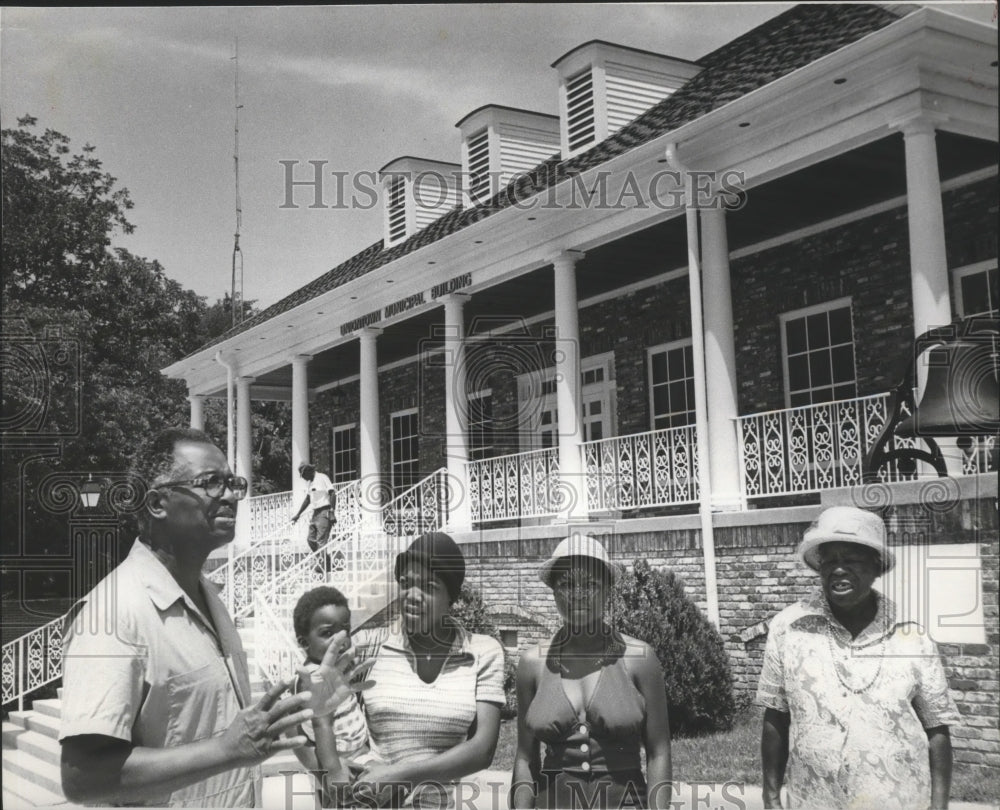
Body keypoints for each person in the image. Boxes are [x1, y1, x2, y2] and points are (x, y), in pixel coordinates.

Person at [58, 428, 322, 807]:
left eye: (233, 483)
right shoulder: (114, 613)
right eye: (212, 483)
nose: (231, 495)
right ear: (156, 504)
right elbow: (82, 778)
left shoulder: (209, 596)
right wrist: (226, 750)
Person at [757, 505, 961, 810]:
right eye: (830, 560)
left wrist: (939, 805)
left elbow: (936, 728)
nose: (839, 569)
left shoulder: (912, 635)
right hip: (813, 801)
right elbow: (775, 716)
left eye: (851, 559)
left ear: (876, 567)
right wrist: (771, 796)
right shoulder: (788, 628)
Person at [511, 534, 672, 810]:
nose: (578, 594)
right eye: (566, 584)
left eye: (591, 584)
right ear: (553, 592)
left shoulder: (638, 659)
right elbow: (526, 758)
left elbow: (659, 752)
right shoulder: (532, 664)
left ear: (608, 590)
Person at [350, 532, 506, 809]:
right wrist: (351, 763)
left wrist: (399, 776)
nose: (412, 596)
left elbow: (482, 750)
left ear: (452, 598)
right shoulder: (371, 645)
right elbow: (311, 705)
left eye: (428, 587)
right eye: (406, 583)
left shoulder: (481, 652)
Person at [291, 585, 381, 806]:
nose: (340, 639)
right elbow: (322, 723)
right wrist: (334, 772)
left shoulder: (335, 670)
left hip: (357, 754)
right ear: (304, 642)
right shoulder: (312, 677)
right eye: (327, 633)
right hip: (336, 762)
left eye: (345, 630)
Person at [292, 463, 336, 554]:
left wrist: (332, 512)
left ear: (309, 471)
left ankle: (323, 566)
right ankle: (324, 562)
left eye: (303, 474)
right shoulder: (311, 483)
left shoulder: (322, 477)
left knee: (321, 541)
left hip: (325, 511)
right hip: (315, 513)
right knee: (311, 539)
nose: (303, 477)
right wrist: (298, 514)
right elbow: (308, 499)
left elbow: (332, 494)